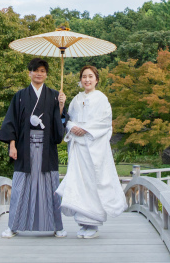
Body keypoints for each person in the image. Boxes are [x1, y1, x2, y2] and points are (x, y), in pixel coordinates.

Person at [0, 57, 68, 238]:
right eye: (36, 70)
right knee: (21, 185)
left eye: (43, 71)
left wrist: (60, 106)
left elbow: (58, 123)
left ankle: (57, 227)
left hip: (46, 149)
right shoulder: (20, 96)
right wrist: (12, 145)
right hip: (24, 148)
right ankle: (13, 226)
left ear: (46, 74)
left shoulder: (54, 95)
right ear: (29, 73)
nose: (39, 74)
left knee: (50, 185)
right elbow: (11, 122)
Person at [56, 65, 127, 239]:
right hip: (78, 148)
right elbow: (67, 118)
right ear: (80, 80)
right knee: (79, 183)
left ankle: (93, 224)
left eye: (90, 76)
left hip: (93, 148)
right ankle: (83, 222)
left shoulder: (101, 99)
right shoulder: (76, 99)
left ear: (96, 79)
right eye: (84, 77)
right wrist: (69, 121)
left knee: (92, 182)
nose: (87, 80)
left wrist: (85, 130)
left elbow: (104, 123)